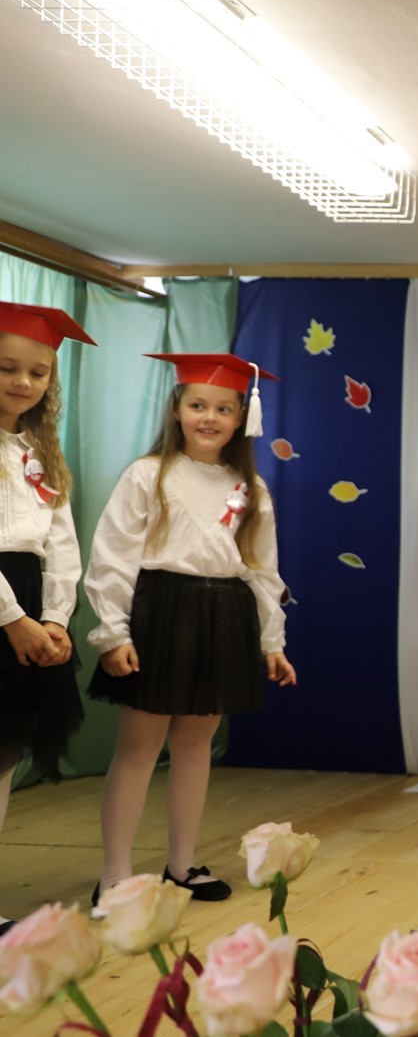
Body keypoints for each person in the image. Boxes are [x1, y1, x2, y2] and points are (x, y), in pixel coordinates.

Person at [88, 353, 296, 905]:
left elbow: (262, 569)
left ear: (241, 417)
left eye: (224, 408)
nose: (210, 417)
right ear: (177, 409)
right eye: (198, 405)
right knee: (139, 746)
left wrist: (271, 640)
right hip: (161, 612)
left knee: (196, 743)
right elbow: (113, 555)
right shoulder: (146, 474)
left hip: (224, 616)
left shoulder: (252, 488)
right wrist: (114, 632)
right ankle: (114, 874)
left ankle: (181, 864)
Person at [0, 302, 93, 937]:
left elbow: (61, 541)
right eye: (7, 367)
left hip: (32, 603)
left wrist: (55, 617)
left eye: (38, 373)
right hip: (3, 606)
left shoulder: (39, 451)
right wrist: (13, 619)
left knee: (5, 755)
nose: (23, 382)